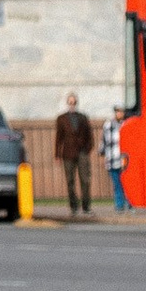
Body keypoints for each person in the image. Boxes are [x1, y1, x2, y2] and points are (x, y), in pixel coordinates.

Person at [54, 90, 95, 218]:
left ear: (76, 103)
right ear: (67, 103)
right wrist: (57, 154)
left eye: (74, 102)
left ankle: (86, 206)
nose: (72, 104)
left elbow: (90, 135)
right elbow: (58, 138)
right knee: (70, 180)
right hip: (68, 153)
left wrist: (87, 149)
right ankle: (73, 206)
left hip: (82, 152)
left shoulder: (83, 117)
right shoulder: (62, 119)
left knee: (85, 179)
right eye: (70, 102)